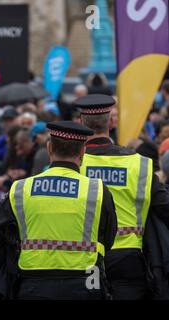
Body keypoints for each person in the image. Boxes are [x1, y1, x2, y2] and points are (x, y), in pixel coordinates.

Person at [0, 121, 117, 300]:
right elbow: (109, 237)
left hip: (32, 283)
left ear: (49, 148)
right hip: (84, 283)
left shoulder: (21, 188)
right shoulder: (97, 189)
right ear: (83, 152)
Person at [77, 94, 169, 300]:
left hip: (85, 257)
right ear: (111, 121)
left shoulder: (75, 164)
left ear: (81, 122)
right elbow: (165, 207)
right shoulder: (141, 164)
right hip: (129, 258)